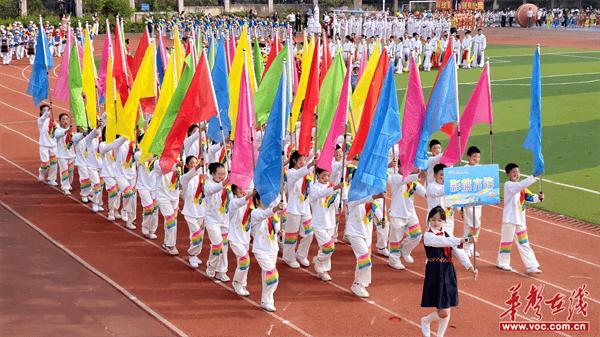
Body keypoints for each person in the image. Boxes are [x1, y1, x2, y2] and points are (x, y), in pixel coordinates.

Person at [420, 206, 477, 337]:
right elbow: (443, 242)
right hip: (435, 272)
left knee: (446, 308)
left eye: (439, 220)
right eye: (433, 219)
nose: (436, 222)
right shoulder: (428, 235)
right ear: (429, 220)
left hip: (448, 272)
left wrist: (470, 267)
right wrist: (465, 239)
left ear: (443, 222)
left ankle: (439, 335)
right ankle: (426, 321)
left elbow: (458, 251)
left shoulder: (447, 234)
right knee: (443, 311)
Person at [496, 163, 543, 274]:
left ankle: (531, 265)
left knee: (524, 243)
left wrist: (539, 198)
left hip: (520, 221)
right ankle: (502, 262)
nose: (516, 174)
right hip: (509, 220)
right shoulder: (509, 185)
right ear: (508, 174)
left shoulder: (521, 188)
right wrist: (533, 176)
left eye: (517, 172)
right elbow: (519, 186)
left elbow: (530, 197)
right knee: (506, 242)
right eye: (513, 172)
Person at [387, 163, 427, 270]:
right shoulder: (396, 178)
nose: (407, 169)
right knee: (396, 239)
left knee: (417, 235)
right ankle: (393, 260)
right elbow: (405, 179)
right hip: (397, 214)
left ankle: (405, 250)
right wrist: (418, 175)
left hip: (410, 212)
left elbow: (425, 193)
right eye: (405, 166)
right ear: (399, 167)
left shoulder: (412, 182)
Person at [251, 193, 286, 312]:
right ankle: (267, 300)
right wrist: (276, 208)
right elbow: (264, 214)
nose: (267, 202)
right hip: (261, 250)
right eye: (264, 200)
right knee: (273, 275)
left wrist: (280, 233)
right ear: (258, 201)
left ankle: (266, 300)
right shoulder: (255, 213)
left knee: (267, 275)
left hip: (273, 249)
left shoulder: (274, 215)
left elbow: (275, 229)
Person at [345, 193, 385, 298]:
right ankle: (357, 285)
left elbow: (379, 215)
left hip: (367, 234)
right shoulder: (353, 196)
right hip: (354, 233)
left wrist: (382, 220)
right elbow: (360, 200)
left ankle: (360, 283)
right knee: (365, 260)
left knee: (363, 260)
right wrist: (374, 197)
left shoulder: (373, 202)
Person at [309, 168, 343, 281]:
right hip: (318, 223)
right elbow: (320, 194)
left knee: (325, 248)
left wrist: (340, 206)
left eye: (328, 176)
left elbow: (337, 202)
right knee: (328, 246)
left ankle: (324, 270)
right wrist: (334, 188)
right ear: (317, 175)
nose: (326, 178)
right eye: (323, 176)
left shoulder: (332, 187)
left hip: (330, 222)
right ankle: (318, 261)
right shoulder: (314, 188)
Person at [282, 151, 314, 269]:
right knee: (291, 235)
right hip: (294, 209)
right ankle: (288, 257)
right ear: (294, 161)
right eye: (300, 160)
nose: (303, 163)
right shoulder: (290, 173)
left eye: (304, 160)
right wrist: (309, 166)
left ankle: (301, 254)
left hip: (305, 209)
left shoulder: (307, 174)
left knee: (309, 233)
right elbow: (298, 174)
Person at [203, 162, 230, 281]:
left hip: (224, 220)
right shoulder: (208, 185)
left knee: (224, 247)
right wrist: (225, 182)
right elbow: (214, 189)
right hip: (212, 220)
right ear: (212, 174)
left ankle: (222, 271)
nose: (222, 176)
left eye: (224, 174)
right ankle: (212, 265)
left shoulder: (228, 186)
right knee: (217, 245)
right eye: (219, 174)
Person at [228, 185, 256, 297]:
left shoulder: (249, 204)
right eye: (239, 189)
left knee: (243, 262)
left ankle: (242, 283)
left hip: (245, 238)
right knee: (245, 260)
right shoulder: (233, 203)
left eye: (243, 188)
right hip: (235, 239)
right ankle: (236, 282)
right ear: (234, 191)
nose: (242, 191)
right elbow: (241, 202)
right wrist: (251, 195)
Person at [180, 155, 206, 268]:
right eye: (191, 163)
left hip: (202, 211)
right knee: (197, 235)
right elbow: (190, 174)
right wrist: (198, 167)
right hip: (190, 212)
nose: (194, 165)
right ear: (187, 165)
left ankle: (195, 255)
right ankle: (191, 254)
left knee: (199, 235)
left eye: (196, 163)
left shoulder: (203, 178)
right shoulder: (185, 178)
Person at [53, 113, 82, 195]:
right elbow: (57, 134)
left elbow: (75, 138)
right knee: (64, 171)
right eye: (63, 119)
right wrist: (66, 131)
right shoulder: (58, 130)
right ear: (60, 121)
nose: (65, 121)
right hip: (62, 156)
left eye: (66, 119)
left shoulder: (71, 131)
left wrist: (83, 134)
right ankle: (65, 187)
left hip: (71, 155)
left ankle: (68, 184)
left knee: (70, 172)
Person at [461, 146, 482, 258]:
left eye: (478, 157)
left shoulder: (481, 168)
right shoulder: (464, 169)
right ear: (468, 157)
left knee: (470, 225)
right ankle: (466, 247)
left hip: (478, 203)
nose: (476, 159)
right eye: (474, 156)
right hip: (468, 202)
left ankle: (469, 247)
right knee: (474, 225)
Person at [426, 163, 455, 235]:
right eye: (441, 175)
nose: (443, 177)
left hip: (448, 220)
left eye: (445, 175)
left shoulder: (449, 187)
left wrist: (461, 209)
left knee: (448, 242)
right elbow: (439, 192)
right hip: (435, 220)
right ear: (435, 175)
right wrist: (454, 186)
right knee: (435, 243)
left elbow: (455, 199)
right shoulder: (431, 186)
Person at [37, 104, 58, 186]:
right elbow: (43, 118)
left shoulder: (52, 121)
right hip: (44, 145)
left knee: (54, 164)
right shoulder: (40, 121)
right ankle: (41, 173)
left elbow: (59, 131)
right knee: (45, 163)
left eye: (47, 110)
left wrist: (56, 127)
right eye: (44, 110)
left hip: (53, 145)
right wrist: (48, 111)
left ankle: (52, 179)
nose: (47, 112)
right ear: (41, 112)